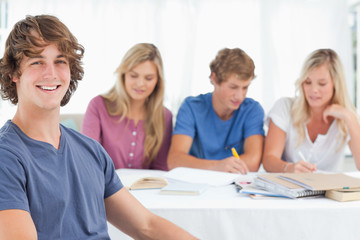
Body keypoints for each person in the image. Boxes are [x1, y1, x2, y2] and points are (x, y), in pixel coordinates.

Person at [0, 15, 196, 239]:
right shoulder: (6, 157)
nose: (51, 73)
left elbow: (146, 226)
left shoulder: (91, 151)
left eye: (60, 61)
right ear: (13, 73)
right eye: (37, 61)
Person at [167, 48, 264, 174]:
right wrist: (217, 166)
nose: (240, 96)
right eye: (233, 87)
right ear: (215, 79)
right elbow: (175, 160)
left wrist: (217, 166)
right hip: (196, 182)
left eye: (245, 87)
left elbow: (253, 161)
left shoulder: (252, 110)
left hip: (233, 184)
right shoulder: (191, 107)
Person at [262, 48, 360, 173]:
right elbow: (269, 160)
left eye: (322, 84)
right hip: (291, 188)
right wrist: (289, 168)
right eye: (308, 82)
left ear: (336, 84)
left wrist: (349, 116)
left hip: (327, 191)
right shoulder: (284, 107)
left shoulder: (346, 118)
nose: (313, 90)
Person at [82, 43, 171, 171]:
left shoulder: (164, 116)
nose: (140, 84)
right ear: (123, 75)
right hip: (103, 188)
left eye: (149, 78)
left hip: (146, 190)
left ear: (158, 81)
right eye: (133, 76)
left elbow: (160, 170)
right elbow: (88, 160)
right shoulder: (98, 106)